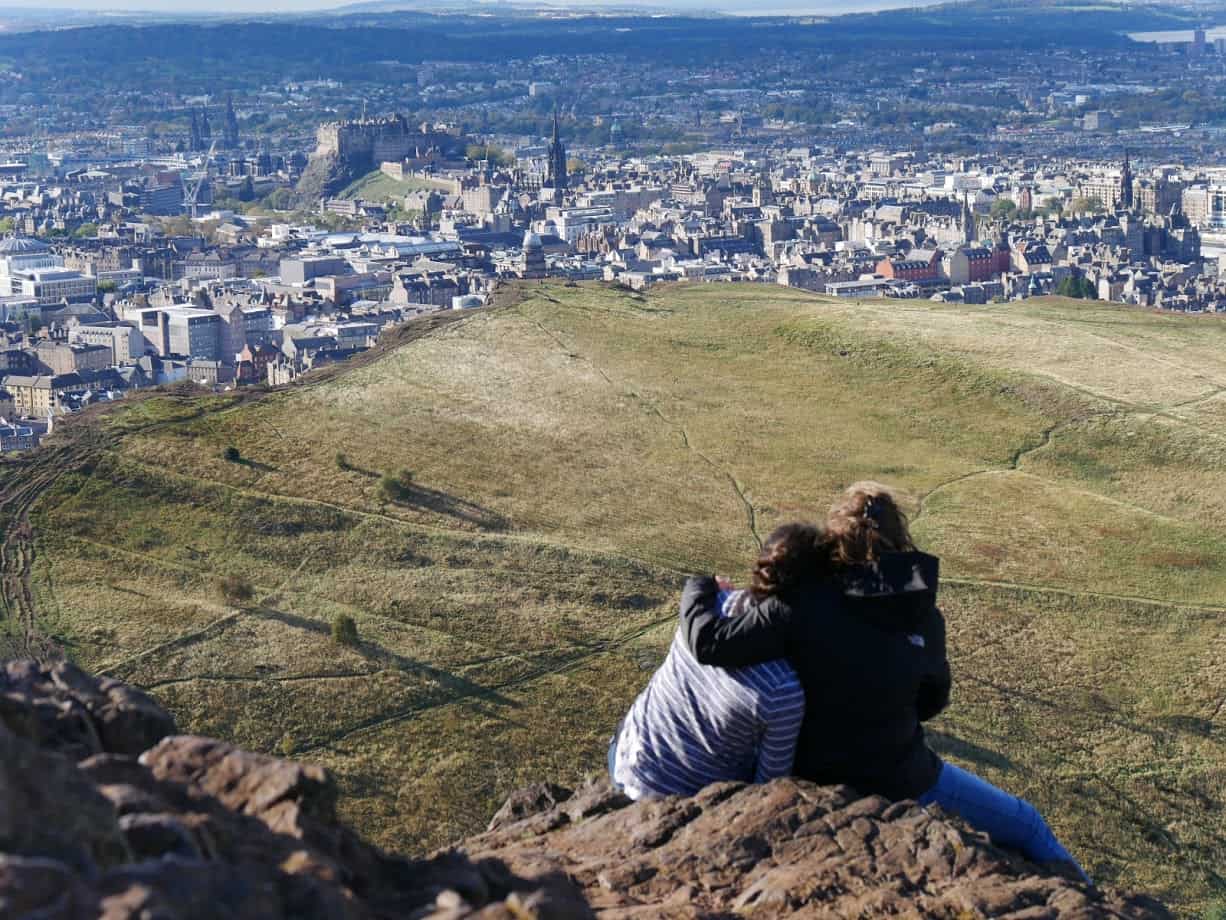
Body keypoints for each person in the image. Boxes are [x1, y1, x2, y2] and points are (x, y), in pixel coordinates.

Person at [678, 482, 1088, 882]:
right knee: (1028, 825)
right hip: (901, 776)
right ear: (900, 539)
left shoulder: (801, 600)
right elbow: (930, 701)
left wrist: (700, 586)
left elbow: (711, 643)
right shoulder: (923, 615)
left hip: (810, 775)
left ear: (834, 540)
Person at [608, 524, 814, 800]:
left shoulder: (709, 606)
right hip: (675, 804)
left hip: (624, 759)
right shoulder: (783, 690)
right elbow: (768, 790)